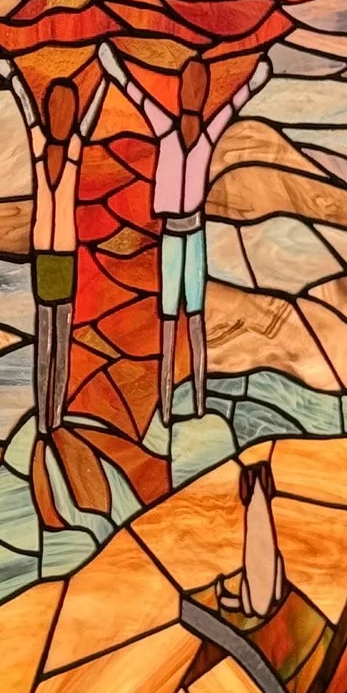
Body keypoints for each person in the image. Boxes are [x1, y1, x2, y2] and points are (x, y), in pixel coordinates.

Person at [96, 42, 271, 423]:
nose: (193, 94)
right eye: (189, 87)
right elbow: (137, 96)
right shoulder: (167, 130)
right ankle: (166, 405)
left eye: (199, 87)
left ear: (203, 93)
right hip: (172, 239)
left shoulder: (206, 136)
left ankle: (199, 403)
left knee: (194, 319)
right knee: (167, 323)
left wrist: (256, 79)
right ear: (181, 93)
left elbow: (233, 106)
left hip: (195, 236)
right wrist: (113, 67)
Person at [3, 65, 108, 432]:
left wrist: (13, 76)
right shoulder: (55, 149)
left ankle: (52, 416)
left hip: (53, 255)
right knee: (53, 337)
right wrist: (104, 82)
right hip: (55, 256)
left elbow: (29, 109)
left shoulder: (47, 148)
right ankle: (51, 417)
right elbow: (33, 111)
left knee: (51, 337)